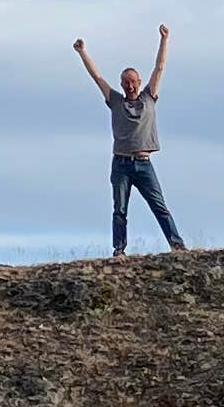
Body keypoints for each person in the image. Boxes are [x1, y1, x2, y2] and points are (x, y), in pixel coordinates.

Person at [73, 25, 187, 253]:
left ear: (139, 81)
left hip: (144, 164)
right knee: (120, 210)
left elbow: (160, 67)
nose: (130, 85)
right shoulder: (115, 101)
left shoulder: (149, 97)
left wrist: (164, 39)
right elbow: (97, 77)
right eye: (126, 82)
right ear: (122, 84)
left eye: (133, 81)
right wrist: (82, 52)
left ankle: (177, 246)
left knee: (159, 207)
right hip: (121, 164)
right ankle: (119, 250)